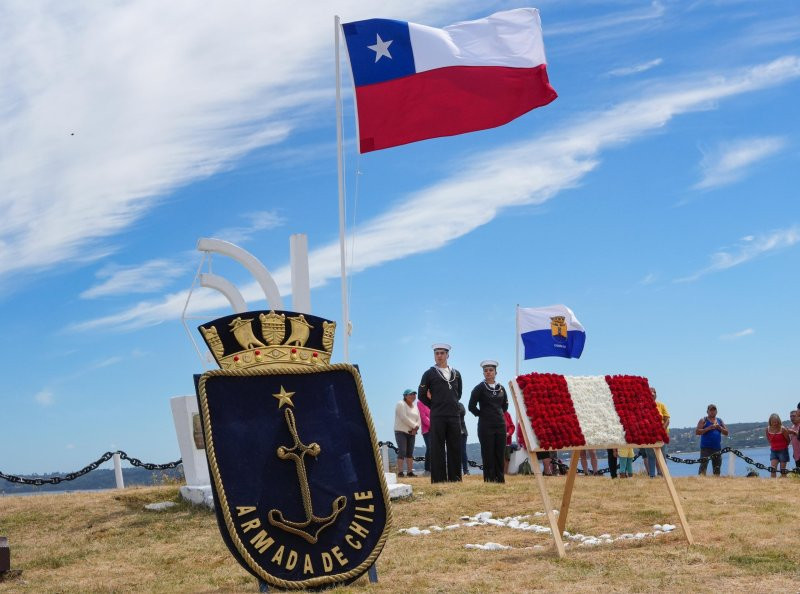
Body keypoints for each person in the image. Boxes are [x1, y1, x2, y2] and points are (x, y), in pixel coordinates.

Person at [418, 343, 463, 483]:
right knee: (437, 447)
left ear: (447, 355)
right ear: (434, 356)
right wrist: (435, 405)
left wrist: (451, 404)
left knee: (454, 446)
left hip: (454, 415)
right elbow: (421, 395)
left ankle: (455, 478)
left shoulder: (456, 374)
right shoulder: (429, 373)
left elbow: (458, 393)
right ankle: (439, 479)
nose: (439, 356)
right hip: (437, 415)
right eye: (437, 353)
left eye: (442, 353)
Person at [468, 360, 508, 483]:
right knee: (488, 452)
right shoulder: (479, 388)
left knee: (499, 452)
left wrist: (498, 415)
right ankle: (490, 479)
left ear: (496, 372)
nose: (488, 372)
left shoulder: (501, 388)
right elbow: (471, 406)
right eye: (485, 371)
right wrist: (482, 414)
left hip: (500, 425)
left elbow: (505, 406)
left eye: (491, 370)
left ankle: (500, 479)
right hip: (485, 426)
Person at [641, 386, 670, 478]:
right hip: (649, 435)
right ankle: (652, 475)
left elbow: (667, 419)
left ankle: (663, 475)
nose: (652, 396)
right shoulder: (643, 406)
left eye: (653, 394)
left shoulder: (661, 405)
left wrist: (661, 430)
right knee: (650, 456)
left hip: (661, 434)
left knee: (662, 455)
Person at [393, 389, 420, 478]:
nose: (413, 396)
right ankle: (400, 472)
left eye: (414, 394)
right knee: (402, 451)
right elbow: (403, 417)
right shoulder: (400, 404)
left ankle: (409, 472)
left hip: (412, 432)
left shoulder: (415, 406)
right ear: (405, 396)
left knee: (410, 452)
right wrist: (414, 426)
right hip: (401, 431)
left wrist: (416, 428)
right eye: (411, 394)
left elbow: (419, 419)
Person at [696, 404, 728, 476]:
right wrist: (708, 428)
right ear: (707, 411)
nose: (712, 412)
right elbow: (697, 432)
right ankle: (700, 482)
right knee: (703, 467)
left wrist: (720, 428)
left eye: (714, 410)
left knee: (717, 468)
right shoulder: (703, 420)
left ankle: (716, 483)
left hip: (717, 448)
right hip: (705, 448)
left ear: (716, 411)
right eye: (711, 410)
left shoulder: (719, 420)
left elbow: (726, 433)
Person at [765, 413, 795, 478]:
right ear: (770, 422)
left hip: (783, 451)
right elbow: (769, 439)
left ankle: (784, 485)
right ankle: (773, 485)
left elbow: (788, 440)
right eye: (773, 422)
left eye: (776, 422)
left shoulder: (783, 429)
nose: (775, 423)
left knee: (783, 470)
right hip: (774, 451)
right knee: (773, 469)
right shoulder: (767, 429)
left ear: (779, 421)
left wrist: (783, 447)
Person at [417, 398, 431, 476]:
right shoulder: (420, 402)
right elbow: (423, 417)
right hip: (427, 430)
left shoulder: (434, 401)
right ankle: (427, 470)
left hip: (436, 430)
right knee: (430, 448)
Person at [458, 402, 470, 475]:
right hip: (452, 433)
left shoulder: (460, 404)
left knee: (463, 452)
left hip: (462, 433)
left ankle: (466, 470)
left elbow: (462, 412)